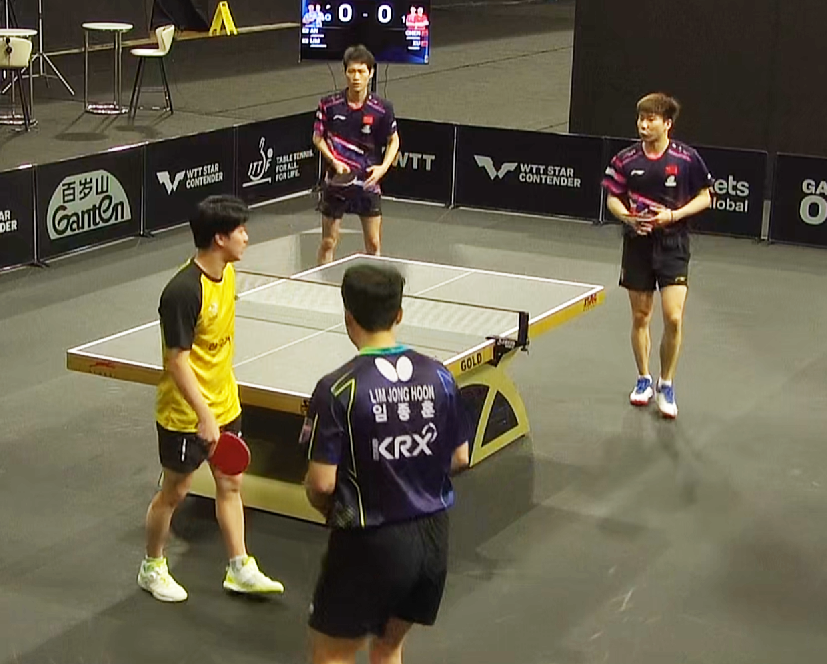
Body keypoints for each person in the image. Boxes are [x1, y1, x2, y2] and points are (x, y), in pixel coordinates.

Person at [301, 264, 471, 664]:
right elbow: (460, 456)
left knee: (332, 655)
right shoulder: (440, 376)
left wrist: (334, 510)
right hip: (433, 538)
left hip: (370, 540)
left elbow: (321, 484)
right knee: (389, 646)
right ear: (399, 314)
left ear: (348, 316)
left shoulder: (337, 388)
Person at [137, 195, 285, 602]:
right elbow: (176, 361)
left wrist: (220, 406)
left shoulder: (228, 272)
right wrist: (204, 414)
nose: (247, 238)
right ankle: (152, 566)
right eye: (240, 231)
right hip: (186, 414)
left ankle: (239, 567)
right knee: (175, 491)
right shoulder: (183, 291)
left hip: (225, 403)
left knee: (231, 484)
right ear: (220, 238)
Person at [602, 92, 713, 419]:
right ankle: (643, 379)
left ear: (667, 124)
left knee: (673, 317)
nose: (643, 125)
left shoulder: (686, 158)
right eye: (641, 118)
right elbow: (612, 198)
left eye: (650, 119)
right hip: (637, 244)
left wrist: (673, 215)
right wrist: (628, 218)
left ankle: (667, 383)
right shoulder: (625, 159)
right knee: (641, 316)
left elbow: (706, 196)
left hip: (673, 244)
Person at [312, 45, 401, 265]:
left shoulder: (382, 108)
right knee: (328, 242)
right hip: (336, 181)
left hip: (368, 182)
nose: (356, 77)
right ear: (345, 73)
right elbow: (317, 138)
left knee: (373, 243)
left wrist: (382, 169)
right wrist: (334, 161)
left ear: (371, 73)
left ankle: (372, 283)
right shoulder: (329, 105)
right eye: (351, 71)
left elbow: (394, 140)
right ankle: (318, 281)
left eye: (361, 71)